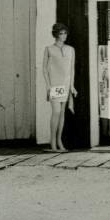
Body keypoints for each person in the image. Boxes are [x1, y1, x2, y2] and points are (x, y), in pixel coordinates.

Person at [43, 23, 76, 152]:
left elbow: (71, 69)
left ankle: (59, 141)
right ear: (56, 34)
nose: (64, 36)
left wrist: (72, 85)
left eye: (65, 33)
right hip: (55, 84)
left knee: (62, 113)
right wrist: (48, 85)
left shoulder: (70, 49)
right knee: (56, 111)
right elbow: (44, 69)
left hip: (66, 84)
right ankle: (52, 142)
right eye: (61, 33)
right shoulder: (49, 49)